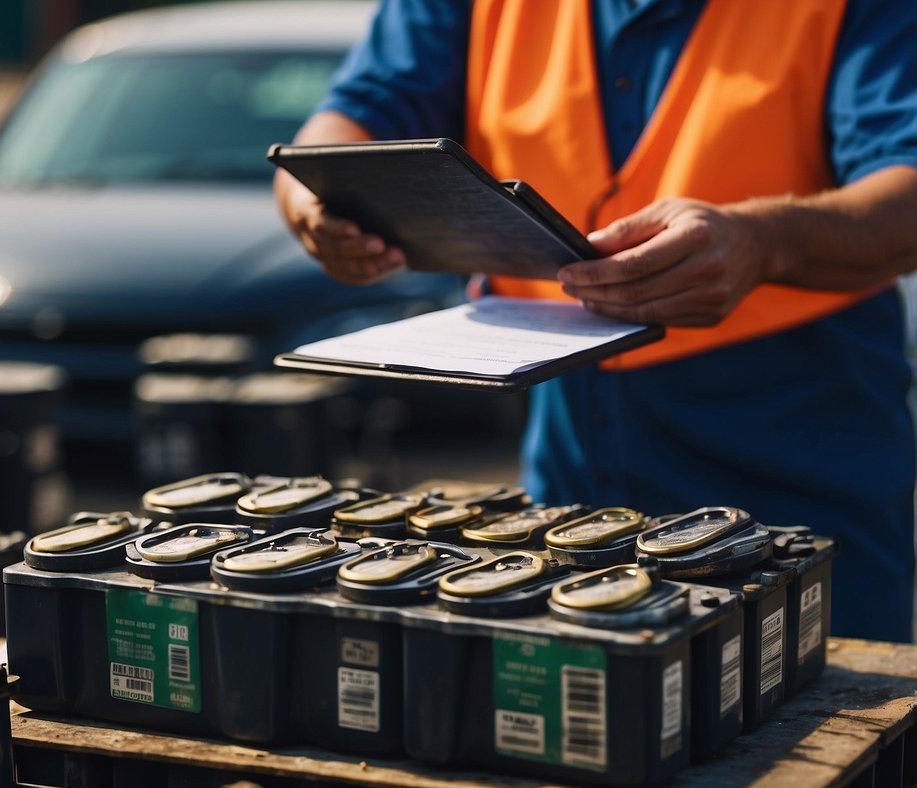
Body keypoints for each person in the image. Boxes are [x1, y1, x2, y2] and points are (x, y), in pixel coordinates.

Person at [274, 0, 917, 642]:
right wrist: (313, 195)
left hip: (800, 445)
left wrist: (766, 239)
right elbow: (357, 113)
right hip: (571, 446)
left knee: (828, 699)